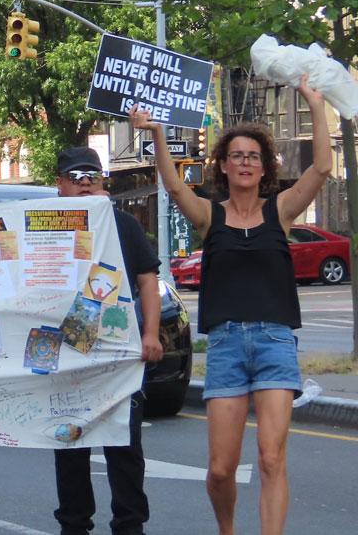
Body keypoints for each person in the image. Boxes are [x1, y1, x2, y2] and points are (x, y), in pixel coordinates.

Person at [132, 75, 330, 535]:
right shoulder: (209, 215)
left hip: (275, 341)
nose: (245, 163)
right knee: (221, 469)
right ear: (223, 164)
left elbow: (321, 167)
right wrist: (158, 135)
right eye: (237, 156)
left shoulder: (280, 210)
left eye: (253, 157)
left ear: (264, 167)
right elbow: (174, 186)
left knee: (270, 457)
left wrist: (315, 105)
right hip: (224, 346)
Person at [49, 146, 163, 535]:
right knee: (70, 444)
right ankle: (74, 523)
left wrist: (150, 334)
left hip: (118, 352)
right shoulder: (47, 228)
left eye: (92, 176)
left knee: (125, 447)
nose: (85, 183)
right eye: (76, 177)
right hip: (65, 353)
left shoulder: (123, 226)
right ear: (59, 186)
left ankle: (130, 525)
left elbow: (148, 279)